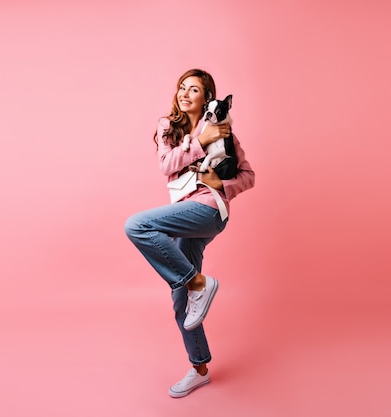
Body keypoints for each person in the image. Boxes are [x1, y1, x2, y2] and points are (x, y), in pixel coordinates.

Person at [124, 68, 255, 398]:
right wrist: (200, 142)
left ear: (207, 96)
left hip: (209, 208)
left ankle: (201, 283)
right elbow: (166, 164)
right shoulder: (168, 126)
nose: (184, 94)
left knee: (137, 225)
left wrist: (221, 184)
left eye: (193, 89)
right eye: (182, 87)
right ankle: (199, 368)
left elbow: (249, 175)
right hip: (183, 210)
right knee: (181, 297)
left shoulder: (224, 130)